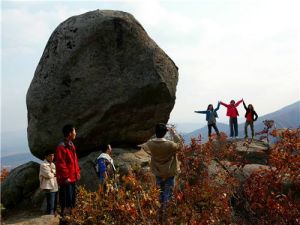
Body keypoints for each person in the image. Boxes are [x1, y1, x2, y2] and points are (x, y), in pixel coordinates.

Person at [141, 123, 183, 222]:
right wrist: (174, 134)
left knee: (159, 194)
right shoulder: (170, 145)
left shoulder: (150, 144)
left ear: (156, 132)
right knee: (168, 195)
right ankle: (166, 217)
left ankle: (158, 217)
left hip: (158, 173)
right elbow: (180, 145)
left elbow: (143, 146)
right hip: (169, 173)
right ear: (165, 133)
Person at [55, 124, 80, 216]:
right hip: (66, 180)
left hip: (72, 178)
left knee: (72, 199)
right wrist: (66, 177)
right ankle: (65, 218)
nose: (75, 133)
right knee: (66, 200)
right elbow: (61, 164)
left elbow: (74, 161)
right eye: (74, 131)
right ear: (70, 133)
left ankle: (72, 217)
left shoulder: (71, 145)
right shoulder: (61, 147)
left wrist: (77, 173)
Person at [39, 149, 58, 215]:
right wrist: (54, 173)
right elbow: (48, 175)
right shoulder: (43, 165)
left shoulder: (52, 164)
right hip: (49, 187)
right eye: (50, 155)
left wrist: (53, 172)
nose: (52, 157)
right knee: (51, 205)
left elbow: (55, 173)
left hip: (55, 186)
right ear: (46, 156)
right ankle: (49, 217)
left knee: (55, 204)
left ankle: (53, 217)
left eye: (53, 155)